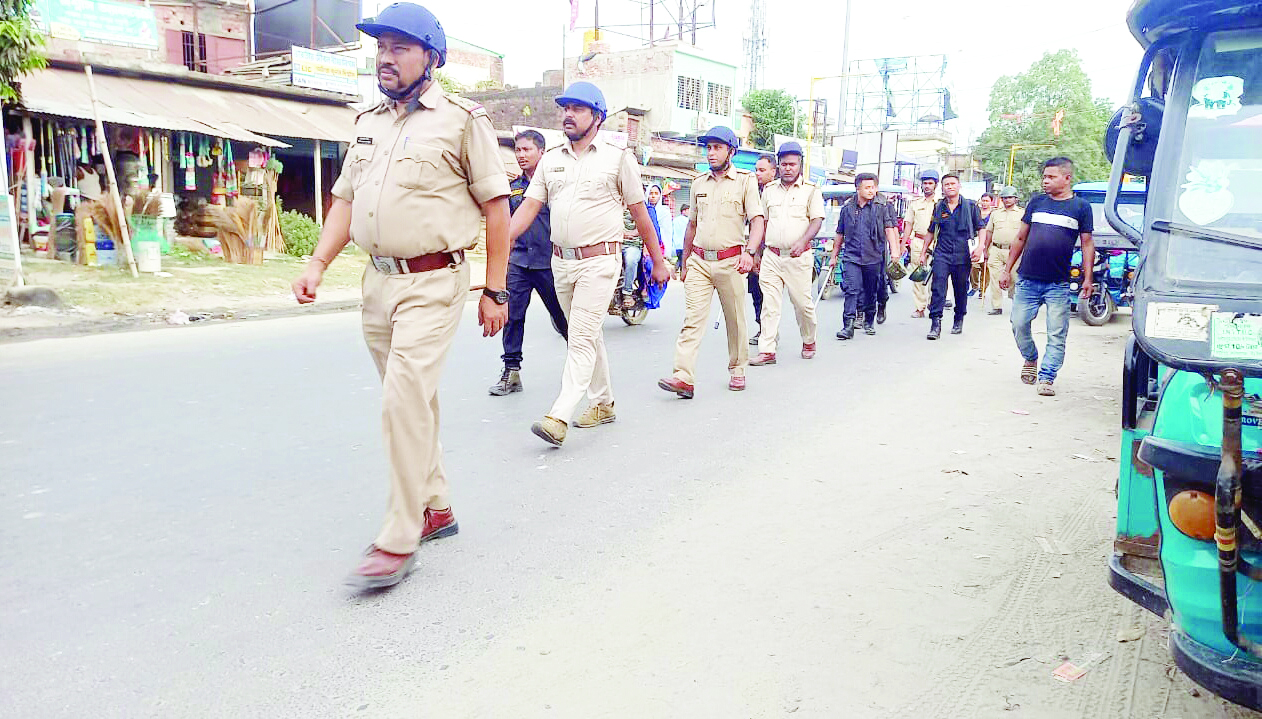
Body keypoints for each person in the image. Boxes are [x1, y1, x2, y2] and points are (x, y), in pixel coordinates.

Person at [290, 2, 511, 591]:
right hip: (378, 282)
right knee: (413, 399)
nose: (385, 58)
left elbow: (496, 208)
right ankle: (436, 505)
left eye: (400, 47)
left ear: (430, 58)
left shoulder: (463, 121)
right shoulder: (368, 121)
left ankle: (400, 533)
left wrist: (496, 289)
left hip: (434, 281)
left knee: (401, 399)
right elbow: (344, 200)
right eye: (381, 47)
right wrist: (316, 262)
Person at [508, 81, 670, 446]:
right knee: (587, 334)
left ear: (597, 117)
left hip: (599, 262)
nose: (568, 114)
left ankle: (559, 415)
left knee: (579, 337)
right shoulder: (551, 160)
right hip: (560, 263)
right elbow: (529, 207)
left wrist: (658, 261)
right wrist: (502, 243)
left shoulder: (618, 159)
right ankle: (603, 403)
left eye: (578, 109)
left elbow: (640, 213)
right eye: (565, 108)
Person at [659, 125, 764, 398]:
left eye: (717, 147)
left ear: (731, 151)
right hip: (700, 262)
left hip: (732, 262)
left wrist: (749, 252)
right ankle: (683, 377)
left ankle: (738, 369)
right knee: (692, 320)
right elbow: (692, 225)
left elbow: (757, 221)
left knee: (735, 320)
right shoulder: (698, 183)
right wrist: (684, 262)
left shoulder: (746, 181)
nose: (711, 153)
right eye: (708, 147)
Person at [998, 157, 1094, 397]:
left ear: (1067, 178)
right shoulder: (1037, 203)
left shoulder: (1081, 207)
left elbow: (1087, 244)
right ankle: (1030, 357)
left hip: (1058, 283)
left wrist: (1088, 278)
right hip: (1027, 279)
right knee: (1018, 324)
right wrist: (1007, 269)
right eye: (1044, 177)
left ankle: (1047, 377)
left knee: (1057, 333)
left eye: (1051, 177)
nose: (1045, 181)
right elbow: (1021, 238)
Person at [489, 130, 568, 396]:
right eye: (518, 150)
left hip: (549, 263)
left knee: (563, 317)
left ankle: (582, 368)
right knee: (513, 316)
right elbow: (507, 228)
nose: (521, 155)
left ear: (541, 152)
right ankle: (511, 372)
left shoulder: (555, 186)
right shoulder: (513, 188)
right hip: (519, 262)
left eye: (527, 150)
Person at [749, 141, 824, 365]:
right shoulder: (769, 191)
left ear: (800, 164)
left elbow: (817, 220)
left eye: (792, 164)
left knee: (802, 304)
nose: (788, 168)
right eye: (784, 164)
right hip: (771, 256)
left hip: (798, 257)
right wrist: (756, 253)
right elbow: (762, 222)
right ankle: (767, 350)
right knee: (769, 305)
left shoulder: (811, 190)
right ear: (778, 166)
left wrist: (803, 241)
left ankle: (809, 340)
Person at [831, 172, 899, 339]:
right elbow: (840, 233)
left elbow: (889, 229)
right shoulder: (847, 209)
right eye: (867, 187)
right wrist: (834, 256)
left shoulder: (881, 207)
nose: (871, 191)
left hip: (873, 256)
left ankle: (869, 320)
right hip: (852, 257)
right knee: (851, 290)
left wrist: (895, 251)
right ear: (858, 188)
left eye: (873, 187)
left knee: (871, 291)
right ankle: (848, 326)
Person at [919, 173, 984, 340]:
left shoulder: (970, 206)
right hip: (942, 253)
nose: (950, 187)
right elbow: (931, 230)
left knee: (960, 288)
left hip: (963, 254)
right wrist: (923, 252)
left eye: (953, 184)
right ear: (942, 188)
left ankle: (959, 318)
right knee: (938, 288)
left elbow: (981, 228)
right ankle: (935, 324)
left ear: (959, 185)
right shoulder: (939, 207)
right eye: (946, 184)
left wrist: (980, 247)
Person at [747, 155, 777, 346]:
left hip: (773, 250)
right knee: (756, 292)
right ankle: (762, 327)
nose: (757, 174)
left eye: (762, 170)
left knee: (770, 294)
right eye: (756, 170)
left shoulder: (778, 193)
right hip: (753, 248)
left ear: (773, 172)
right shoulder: (752, 192)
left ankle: (770, 331)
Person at [981, 185, 1023, 315]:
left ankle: (1015, 303)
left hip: (1015, 251)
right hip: (996, 249)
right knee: (995, 278)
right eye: (1004, 198)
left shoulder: (1022, 213)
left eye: (1010, 197)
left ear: (1016, 199)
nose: (1007, 200)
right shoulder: (995, 213)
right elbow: (989, 232)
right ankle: (996, 306)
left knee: (1014, 278)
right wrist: (985, 249)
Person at [902, 171, 939, 318]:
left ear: (936, 185)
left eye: (930, 183)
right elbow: (908, 224)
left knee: (937, 276)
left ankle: (933, 305)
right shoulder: (915, 204)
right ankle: (919, 308)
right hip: (918, 242)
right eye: (925, 183)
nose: (927, 186)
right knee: (918, 275)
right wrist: (903, 244)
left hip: (937, 242)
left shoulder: (941, 203)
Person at [969, 193, 995, 298]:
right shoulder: (975, 211)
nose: (984, 203)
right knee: (974, 265)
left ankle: (982, 289)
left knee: (986, 267)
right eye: (983, 200)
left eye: (987, 201)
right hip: (976, 241)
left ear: (991, 202)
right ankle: (974, 286)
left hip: (989, 242)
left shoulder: (993, 214)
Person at [672, 204, 690, 272]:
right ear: (683, 211)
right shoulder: (688, 221)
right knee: (682, 260)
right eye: (688, 210)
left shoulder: (675, 220)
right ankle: (675, 271)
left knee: (680, 259)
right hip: (684, 244)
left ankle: (674, 270)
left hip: (677, 244)